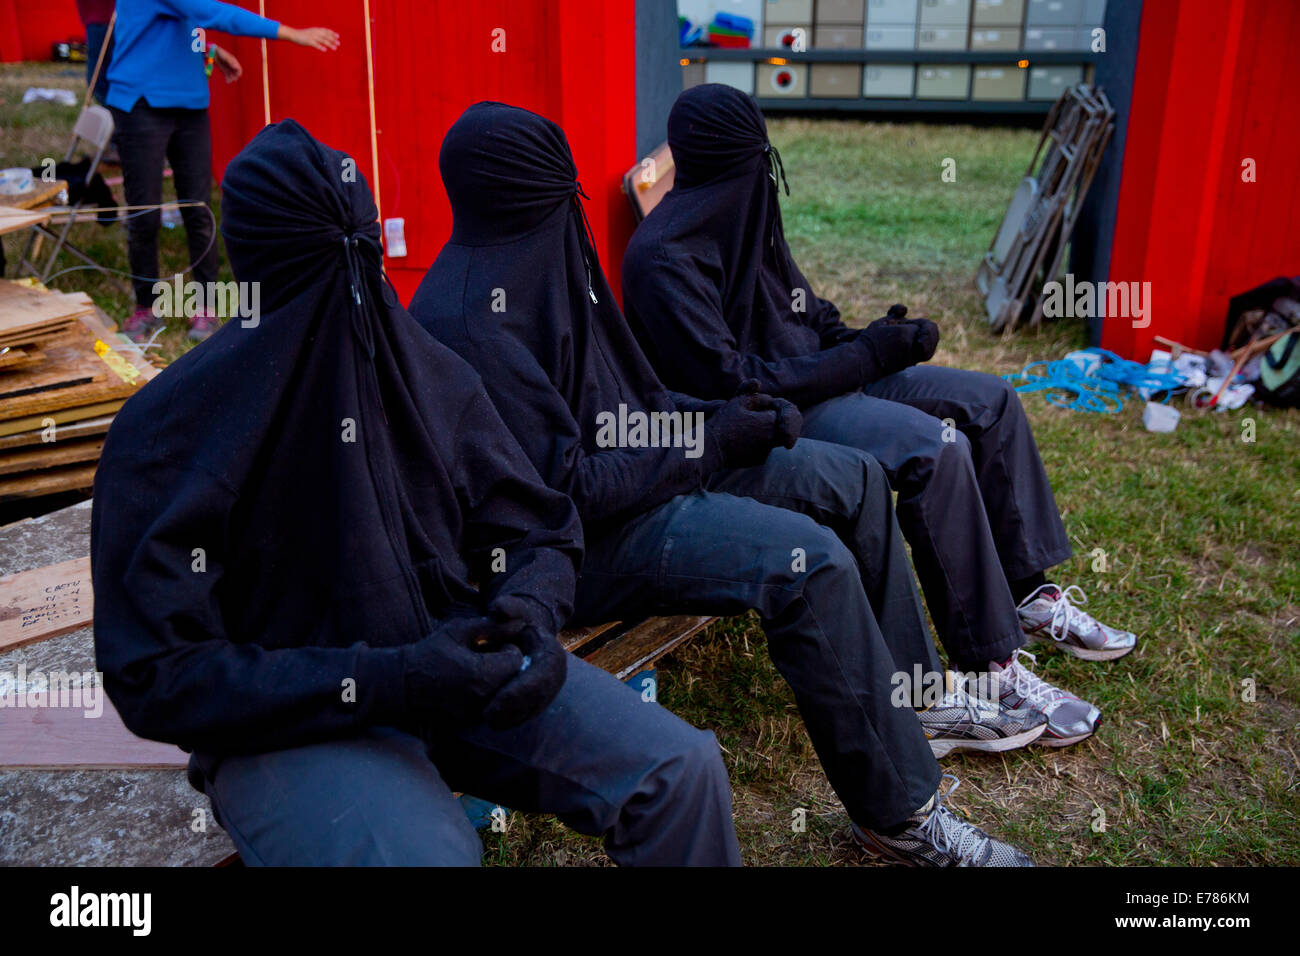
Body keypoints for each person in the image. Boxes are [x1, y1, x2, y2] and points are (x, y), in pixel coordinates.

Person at [91, 120, 741, 867]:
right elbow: (158, 676)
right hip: (290, 718)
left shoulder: (425, 373)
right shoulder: (172, 432)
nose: (350, 295)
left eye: (359, 261)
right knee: (426, 858)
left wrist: (529, 613)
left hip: (456, 663)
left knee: (679, 770)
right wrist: (390, 679)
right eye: (326, 270)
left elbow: (537, 523)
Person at [410, 102, 1039, 866]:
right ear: (521, 196)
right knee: (808, 564)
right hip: (574, 550)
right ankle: (900, 813)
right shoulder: (471, 322)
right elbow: (567, 492)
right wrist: (710, 443)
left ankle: (919, 699)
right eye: (559, 194)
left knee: (854, 478)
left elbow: (633, 404)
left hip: (648, 476)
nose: (571, 211)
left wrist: (723, 414)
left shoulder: (543, 261)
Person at [623, 83, 1140, 747]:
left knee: (990, 402)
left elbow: (804, 306)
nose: (763, 178)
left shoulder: (746, 214)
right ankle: (992, 668)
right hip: (775, 419)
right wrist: (863, 357)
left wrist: (875, 339)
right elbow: (738, 383)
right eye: (753, 164)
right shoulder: (664, 258)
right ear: (724, 166)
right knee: (937, 447)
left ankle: (1028, 597)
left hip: (826, 382)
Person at [105, 0, 339, 342]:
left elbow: (177, 23)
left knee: (199, 210)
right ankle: (147, 305)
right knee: (145, 214)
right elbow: (209, 11)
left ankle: (206, 305)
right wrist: (291, 33)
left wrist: (207, 50)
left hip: (190, 105)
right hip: (142, 105)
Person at [76, 0, 114, 105]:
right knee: (99, 77)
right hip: (98, 18)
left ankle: (113, 111)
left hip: (104, 19)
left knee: (97, 79)